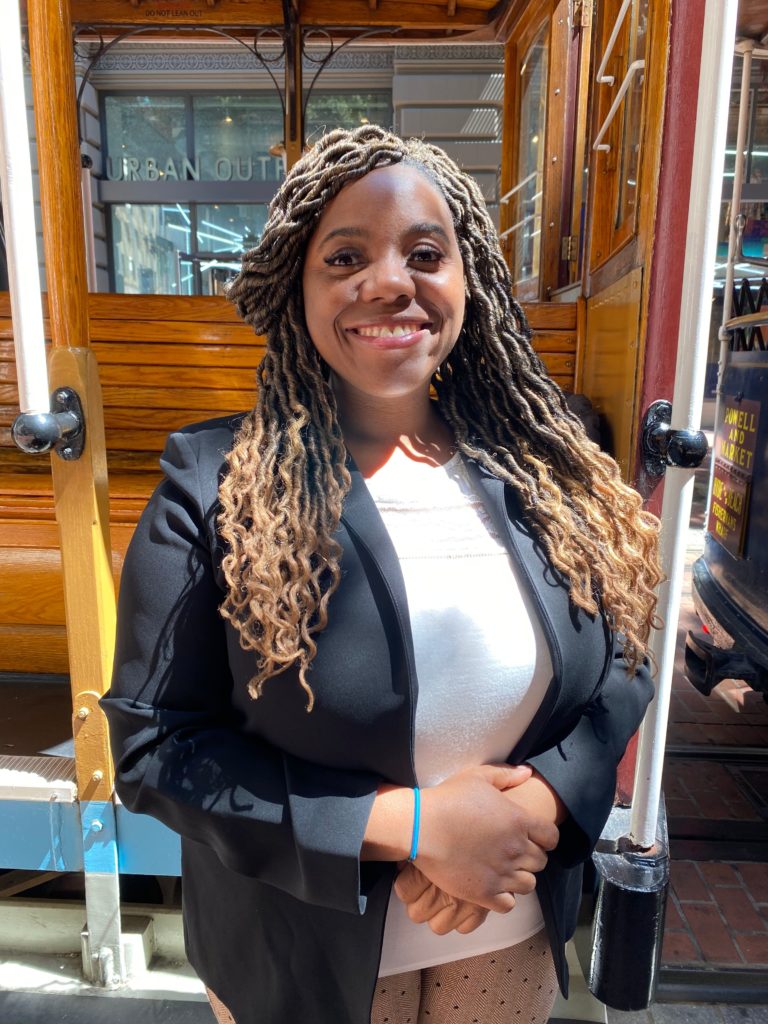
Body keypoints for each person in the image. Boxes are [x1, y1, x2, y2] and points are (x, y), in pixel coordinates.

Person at [102, 125, 661, 1024]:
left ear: (467, 278)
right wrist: (412, 827)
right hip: (295, 962)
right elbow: (154, 747)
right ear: (301, 287)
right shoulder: (210, 486)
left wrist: (553, 796)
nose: (391, 281)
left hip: (505, 935)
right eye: (346, 256)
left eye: (425, 253)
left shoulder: (551, 469)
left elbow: (626, 653)